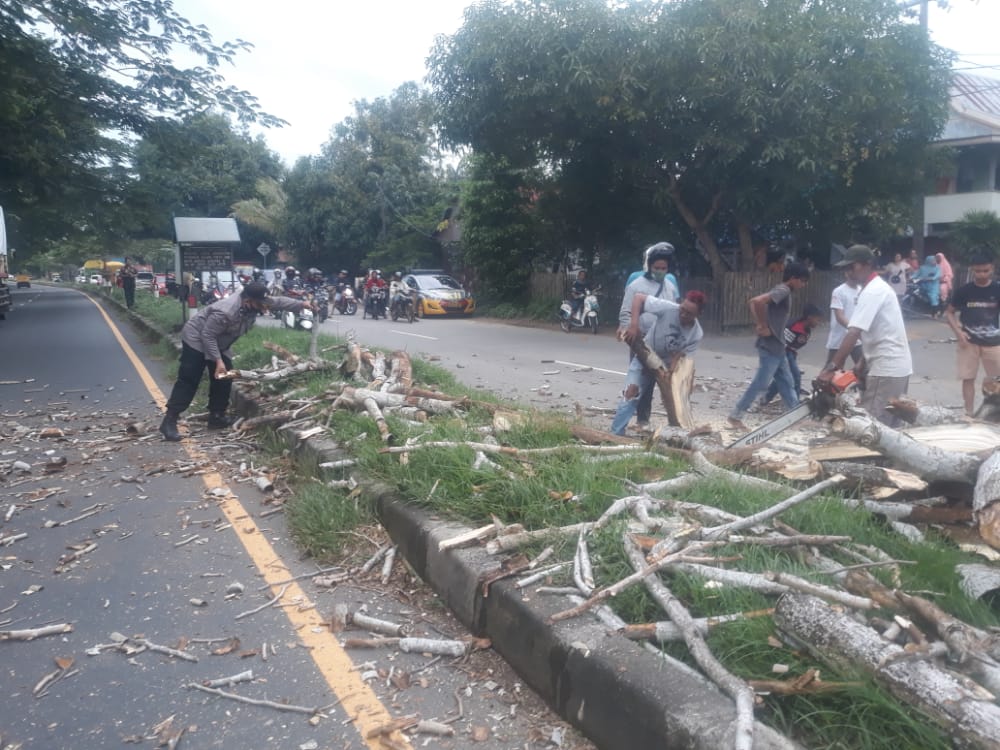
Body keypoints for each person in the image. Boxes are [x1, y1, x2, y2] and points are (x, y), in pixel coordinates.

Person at [158, 282, 315, 441]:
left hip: (220, 342)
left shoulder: (257, 300)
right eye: (260, 305)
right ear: (248, 301)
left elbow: (279, 302)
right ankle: (169, 421)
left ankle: (217, 416)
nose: (264, 308)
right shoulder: (226, 311)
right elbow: (207, 336)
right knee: (189, 379)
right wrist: (218, 361)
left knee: (225, 377)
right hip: (196, 339)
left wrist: (302, 304)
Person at [821, 245, 912, 426]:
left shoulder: (873, 291)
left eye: (852, 266)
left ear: (867, 264)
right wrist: (862, 361)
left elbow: (854, 331)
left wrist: (832, 368)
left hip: (886, 369)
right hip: (894, 367)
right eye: (846, 268)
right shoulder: (874, 289)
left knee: (870, 428)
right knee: (890, 428)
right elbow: (878, 332)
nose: (848, 272)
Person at [727, 262, 811, 431]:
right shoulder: (784, 290)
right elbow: (757, 301)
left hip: (779, 346)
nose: (804, 284)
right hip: (771, 346)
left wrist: (762, 324)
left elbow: (753, 302)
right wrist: (762, 325)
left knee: (787, 382)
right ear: (793, 278)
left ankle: (794, 416)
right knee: (761, 382)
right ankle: (736, 416)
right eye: (802, 280)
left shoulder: (782, 290)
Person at [611, 290, 706, 435]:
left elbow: (681, 357)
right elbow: (638, 298)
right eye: (683, 309)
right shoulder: (668, 308)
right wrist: (634, 325)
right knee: (631, 393)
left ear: (698, 315)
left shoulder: (696, 334)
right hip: (646, 356)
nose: (683, 314)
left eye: (689, 314)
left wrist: (671, 374)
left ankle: (677, 436)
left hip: (665, 366)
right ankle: (615, 434)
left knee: (677, 405)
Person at [619, 243, 680, 430]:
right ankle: (622, 425)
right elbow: (625, 312)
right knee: (637, 383)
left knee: (660, 380)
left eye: (664, 268)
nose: (660, 271)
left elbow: (675, 311)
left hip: (663, 341)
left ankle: (645, 420)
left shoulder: (670, 286)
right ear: (649, 266)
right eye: (657, 268)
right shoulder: (636, 286)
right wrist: (628, 329)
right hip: (641, 340)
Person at [945, 252, 1000, 415]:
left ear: (992, 269)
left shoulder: (997, 289)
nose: (981, 274)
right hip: (968, 342)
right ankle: (969, 415)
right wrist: (959, 333)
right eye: (977, 271)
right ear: (972, 270)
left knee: (996, 380)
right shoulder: (964, 291)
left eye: (985, 270)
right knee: (968, 378)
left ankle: (994, 414)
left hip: (994, 342)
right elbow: (949, 313)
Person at [762, 303, 823, 406]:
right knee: (795, 376)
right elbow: (781, 344)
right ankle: (795, 404)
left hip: (790, 352)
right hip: (781, 352)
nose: (819, 322)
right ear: (809, 317)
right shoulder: (794, 327)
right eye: (818, 319)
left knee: (782, 378)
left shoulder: (806, 329)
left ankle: (765, 398)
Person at [826, 272, 864, 366]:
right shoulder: (839, 291)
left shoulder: (862, 291)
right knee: (832, 369)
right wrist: (854, 330)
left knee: (863, 369)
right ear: (846, 274)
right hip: (840, 337)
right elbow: (839, 316)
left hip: (855, 338)